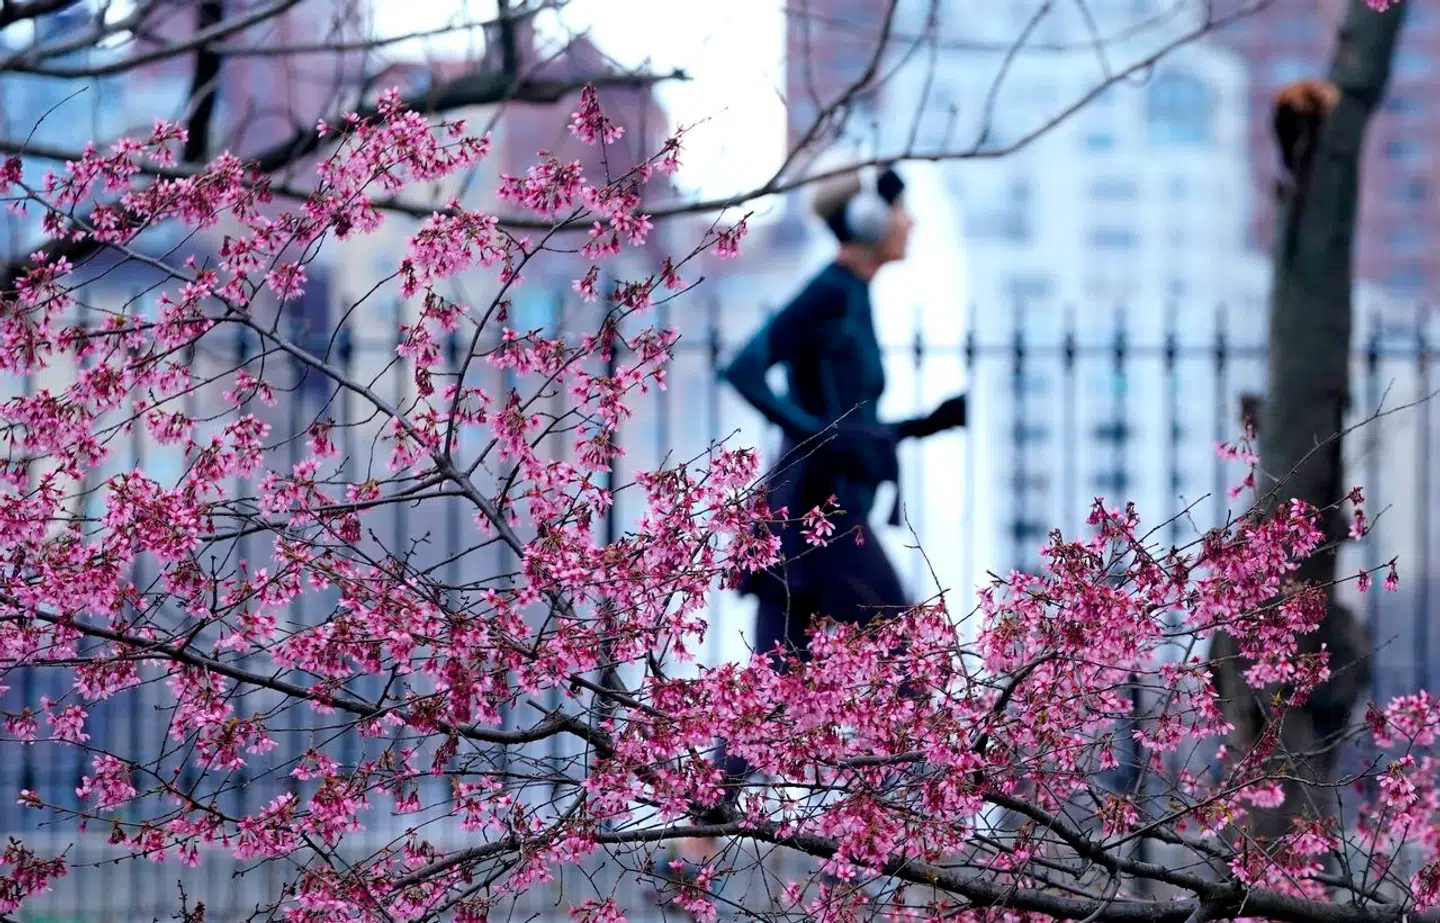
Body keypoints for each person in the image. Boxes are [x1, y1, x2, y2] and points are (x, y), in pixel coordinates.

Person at [649, 164, 968, 891]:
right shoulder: (829, 289)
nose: (911, 224)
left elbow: (850, 420)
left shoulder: (853, 296)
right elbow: (746, 367)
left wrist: (923, 425)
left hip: (817, 515)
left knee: (770, 693)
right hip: (816, 520)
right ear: (866, 224)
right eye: (901, 213)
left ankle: (683, 864)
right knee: (909, 656)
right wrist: (815, 432)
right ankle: (946, 861)